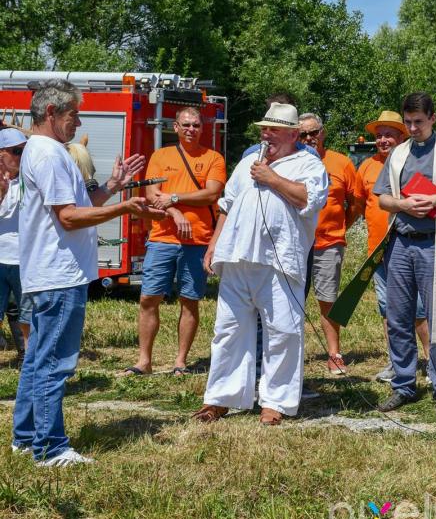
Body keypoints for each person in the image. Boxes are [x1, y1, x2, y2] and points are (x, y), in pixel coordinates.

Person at [12, 79, 163, 466]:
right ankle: (50, 448)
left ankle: (26, 437)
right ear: (51, 112)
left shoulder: (47, 151)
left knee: (37, 358)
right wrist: (126, 209)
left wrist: (113, 187)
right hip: (58, 276)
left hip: (50, 273)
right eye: (73, 113)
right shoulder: (48, 154)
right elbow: (69, 217)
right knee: (53, 363)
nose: (78, 121)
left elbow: (79, 203)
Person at [192, 103, 328, 425]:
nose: (266, 135)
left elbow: (308, 199)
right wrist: (213, 245)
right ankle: (220, 398)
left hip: (280, 262)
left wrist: (272, 177)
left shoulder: (309, 164)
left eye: (273, 130)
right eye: (263, 129)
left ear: (294, 134)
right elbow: (226, 205)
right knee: (228, 330)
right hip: (238, 259)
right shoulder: (247, 163)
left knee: (282, 332)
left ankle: (274, 404)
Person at [373, 92, 436, 419]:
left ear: (433, 118)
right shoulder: (399, 153)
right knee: (399, 317)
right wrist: (403, 204)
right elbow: (382, 199)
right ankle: (403, 385)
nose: (413, 128)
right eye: (408, 122)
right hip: (401, 243)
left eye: (419, 121)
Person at [123, 107, 226, 376]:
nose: (191, 129)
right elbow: (152, 192)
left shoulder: (213, 158)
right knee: (148, 298)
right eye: (186, 125)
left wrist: (175, 198)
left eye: (196, 125)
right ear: (176, 128)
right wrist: (174, 210)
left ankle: (180, 362)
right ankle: (144, 362)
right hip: (162, 238)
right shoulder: (161, 156)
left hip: (198, 239)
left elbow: (212, 194)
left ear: (202, 128)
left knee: (189, 300)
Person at [356, 111, 430, 383]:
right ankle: (396, 363)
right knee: (388, 309)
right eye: (378, 136)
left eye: (389, 135)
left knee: (420, 309)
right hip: (378, 251)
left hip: (411, 247)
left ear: (402, 136)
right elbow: (357, 204)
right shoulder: (366, 167)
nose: (383, 140)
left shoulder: (416, 162)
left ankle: (432, 362)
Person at [298, 113, 363, 375]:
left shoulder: (341, 163)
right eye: (303, 134)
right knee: (292, 299)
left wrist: (341, 226)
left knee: (327, 299)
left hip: (329, 241)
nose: (309, 138)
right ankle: (291, 352)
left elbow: (356, 203)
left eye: (313, 133)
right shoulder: (293, 161)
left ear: (323, 133)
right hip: (297, 243)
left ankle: (334, 353)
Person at [0, 128, 33, 354]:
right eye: (16, 151)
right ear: (1, 154)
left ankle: (28, 357)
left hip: (25, 258)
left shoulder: (31, 179)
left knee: (27, 313)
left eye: (24, 151)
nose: (21, 156)